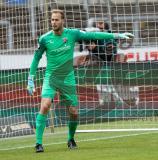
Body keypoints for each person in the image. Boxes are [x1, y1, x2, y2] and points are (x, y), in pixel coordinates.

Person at [27, 9, 133, 153]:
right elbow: (36, 58)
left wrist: (117, 35)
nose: (53, 22)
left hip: (68, 79)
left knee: (74, 112)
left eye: (56, 20)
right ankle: (38, 143)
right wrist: (30, 79)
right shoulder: (45, 39)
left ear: (62, 21)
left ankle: (71, 139)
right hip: (51, 78)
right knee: (45, 106)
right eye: (52, 20)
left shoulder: (72, 34)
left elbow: (94, 34)